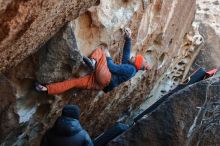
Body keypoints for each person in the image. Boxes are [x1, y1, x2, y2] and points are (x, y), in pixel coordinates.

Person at [36, 27, 151, 94]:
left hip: (105, 77)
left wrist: (108, 56)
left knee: (101, 50)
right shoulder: (132, 69)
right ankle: (46, 88)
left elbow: (112, 67)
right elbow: (126, 54)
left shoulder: (130, 68)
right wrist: (128, 38)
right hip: (99, 84)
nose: (133, 56)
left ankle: (93, 62)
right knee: (74, 83)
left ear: (136, 63)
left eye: (135, 58)